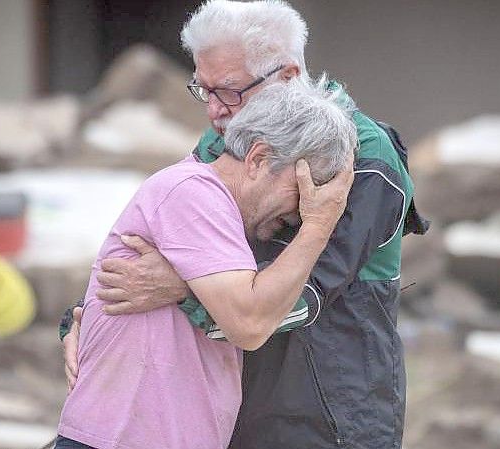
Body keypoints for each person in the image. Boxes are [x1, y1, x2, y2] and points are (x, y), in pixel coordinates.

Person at [59, 1, 429, 448]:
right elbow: (160, 236)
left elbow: (302, 293)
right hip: (236, 408)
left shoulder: (362, 159)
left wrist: (183, 286)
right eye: (204, 90)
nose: (215, 110)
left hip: (332, 416)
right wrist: (89, 312)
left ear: (289, 77)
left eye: (230, 91)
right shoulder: (224, 143)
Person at [54, 80, 357, 449]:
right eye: (302, 190)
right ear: (259, 159)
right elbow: (249, 322)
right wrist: (319, 224)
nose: (301, 210)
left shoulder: (215, 208)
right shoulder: (193, 194)